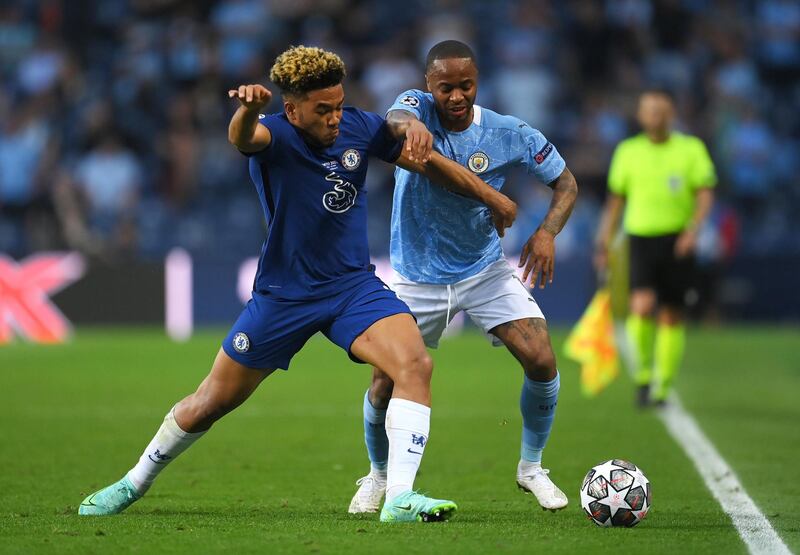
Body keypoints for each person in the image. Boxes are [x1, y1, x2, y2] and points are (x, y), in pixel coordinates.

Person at [78, 45, 517, 523]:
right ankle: (132, 482)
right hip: (284, 296)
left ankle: (399, 499)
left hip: (352, 288)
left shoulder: (358, 126)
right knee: (210, 402)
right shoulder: (276, 137)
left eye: (338, 105)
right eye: (322, 110)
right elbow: (243, 137)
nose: (334, 118)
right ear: (292, 109)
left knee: (414, 364)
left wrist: (490, 195)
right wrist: (246, 109)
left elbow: (425, 160)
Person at [348, 40, 579, 515]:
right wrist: (410, 128)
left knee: (540, 358)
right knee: (384, 383)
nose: (456, 95)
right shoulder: (414, 107)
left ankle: (532, 469)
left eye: (466, 85)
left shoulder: (509, 133)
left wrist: (547, 233)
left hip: (484, 270)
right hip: (415, 275)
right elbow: (397, 120)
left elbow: (566, 183)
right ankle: (377, 476)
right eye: (446, 87)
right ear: (429, 85)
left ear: (479, 81)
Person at [594, 89, 716, 407]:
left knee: (672, 313)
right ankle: (644, 376)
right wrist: (604, 239)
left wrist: (693, 229)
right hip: (641, 238)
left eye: (660, 110)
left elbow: (704, 193)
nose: (655, 116)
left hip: (678, 239)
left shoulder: (690, 149)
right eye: (649, 110)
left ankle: (663, 386)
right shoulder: (628, 151)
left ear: (671, 114)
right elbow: (615, 200)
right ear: (640, 115)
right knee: (642, 306)